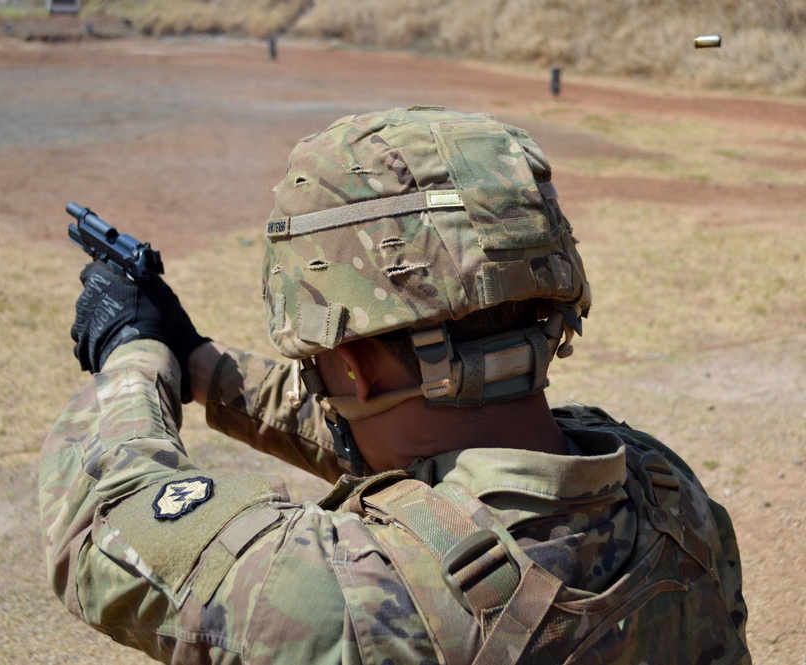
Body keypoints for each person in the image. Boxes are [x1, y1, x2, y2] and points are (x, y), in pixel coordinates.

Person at [40, 107, 750, 663]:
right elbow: (418, 442)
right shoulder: (666, 491)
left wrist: (131, 352)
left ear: (350, 367)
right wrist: (201, 364)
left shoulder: (351, 600)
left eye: (319, 367)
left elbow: (105, 512)